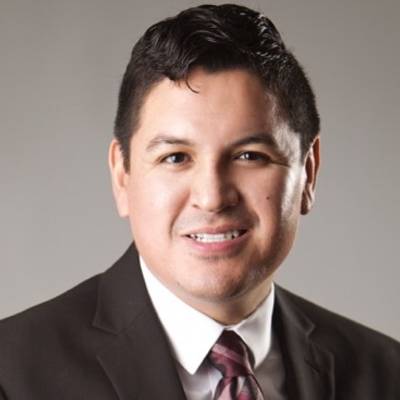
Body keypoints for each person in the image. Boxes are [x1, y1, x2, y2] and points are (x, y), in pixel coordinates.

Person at [0, 4, 399, 399]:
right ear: (122, 176)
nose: (211, 198)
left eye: (250, 156)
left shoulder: (386, 374)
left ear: (308, 173)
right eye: (175, 158)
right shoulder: (12, 374)